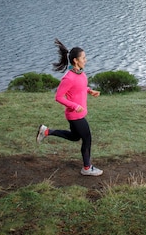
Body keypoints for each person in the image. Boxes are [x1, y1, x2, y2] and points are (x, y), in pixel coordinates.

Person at [36, 38, 103, 176]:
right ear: (75, 61)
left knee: (74, 137)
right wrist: (74, 105)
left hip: (79, 113)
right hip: (74, 115)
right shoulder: (68, 78)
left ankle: (46, 131)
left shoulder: (81, 73)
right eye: (83, 58)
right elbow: (58, 97)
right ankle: (86, 168)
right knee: (87, 138)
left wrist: (90, 91)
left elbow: (81, 87)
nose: (86, 60)